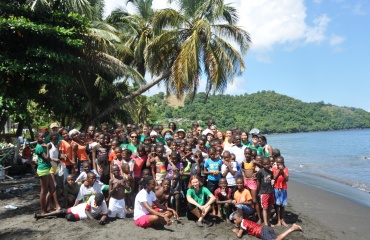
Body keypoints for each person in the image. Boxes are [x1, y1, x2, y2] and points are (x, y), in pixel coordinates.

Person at [35, 193, 108, 224]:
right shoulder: (92, 198)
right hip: (85, 210)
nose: (97, 204)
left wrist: (101, 221)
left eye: (99, 203)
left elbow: (104, 215)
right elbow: (86, 210)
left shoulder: (104, 204)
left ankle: (62, 215)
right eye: (96, 202)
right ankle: (42, 216)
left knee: (69, 217)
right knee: (63, 211)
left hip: (87, 214)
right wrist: (92, 219)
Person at [231, 211, 303, 240]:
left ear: (240, 218)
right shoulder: (245, 221)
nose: (234, 221)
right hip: (265, 228)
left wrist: (236, 231)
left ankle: (292, 228)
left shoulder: (243, 224)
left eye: (235, 219)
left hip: (262, 231)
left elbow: (239, 235)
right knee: (276, 237)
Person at [35, 132, 55, 215]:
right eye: (41, 137)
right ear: (37, 138)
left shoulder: (41, 146)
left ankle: (46, 207)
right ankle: (43, 210)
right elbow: (47, 158)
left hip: (47, 169)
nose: (43, 139)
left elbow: (48, 158)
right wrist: (47, 148)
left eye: (44, 137)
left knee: (53, 188)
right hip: (43, 170)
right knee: (44, 190)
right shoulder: (39, 147)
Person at [242, 147, 262, 223]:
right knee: (248, 199)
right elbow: (242, 170)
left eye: (249, 154)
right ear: (244, 154)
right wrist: (244, 176)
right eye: (246, 153)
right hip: (246, 181)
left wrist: (256, 173)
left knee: (254, 200)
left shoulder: (253, 162)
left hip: (252, 181)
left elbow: (261, 167)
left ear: (251, 155)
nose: (247, 155)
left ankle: (259, 218)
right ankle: (252, 215)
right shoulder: (243, 162)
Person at [257, 158, 275, 226]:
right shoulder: (260, 172)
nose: (266, 165)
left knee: (270, 207)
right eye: (264, 164)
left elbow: (272, 180)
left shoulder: (271, 172)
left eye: (268, 164)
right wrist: (259, 190)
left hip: (270, 191)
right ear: (262, 165)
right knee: (265, 208)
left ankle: (268, 221)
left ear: (270, 163)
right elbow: (258, 181)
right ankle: (265, 223)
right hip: (264, 192)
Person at [273, 156, 289, 227]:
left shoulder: (285, 169)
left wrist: (282, 172)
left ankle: (282, 219)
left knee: (283, 205)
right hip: (276, 188)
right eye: (277, 163)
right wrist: (279, 171)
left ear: (283, 163)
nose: (279, 164)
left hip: (283, 188)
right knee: (277, 205)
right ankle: (278, 220)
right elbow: (274, 178)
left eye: (280, 163)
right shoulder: (274, 169)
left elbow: (287, 179)